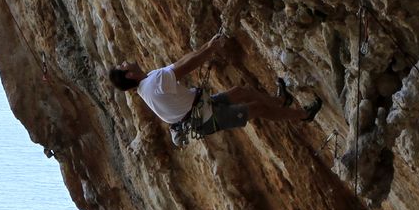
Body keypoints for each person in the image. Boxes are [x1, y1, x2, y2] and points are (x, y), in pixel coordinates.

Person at [108, 34, 322, 144]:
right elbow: (187, 66)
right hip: (205, 118)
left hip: (199, 109)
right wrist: (210, 49)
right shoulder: (154, 83)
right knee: (256, 109)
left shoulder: (148, 82)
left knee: (240, 91)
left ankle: (279, 101)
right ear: (129, 75)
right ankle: (303, 115)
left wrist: (207, 47)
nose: (126, 62)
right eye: (123, 66)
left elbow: (181, 62)